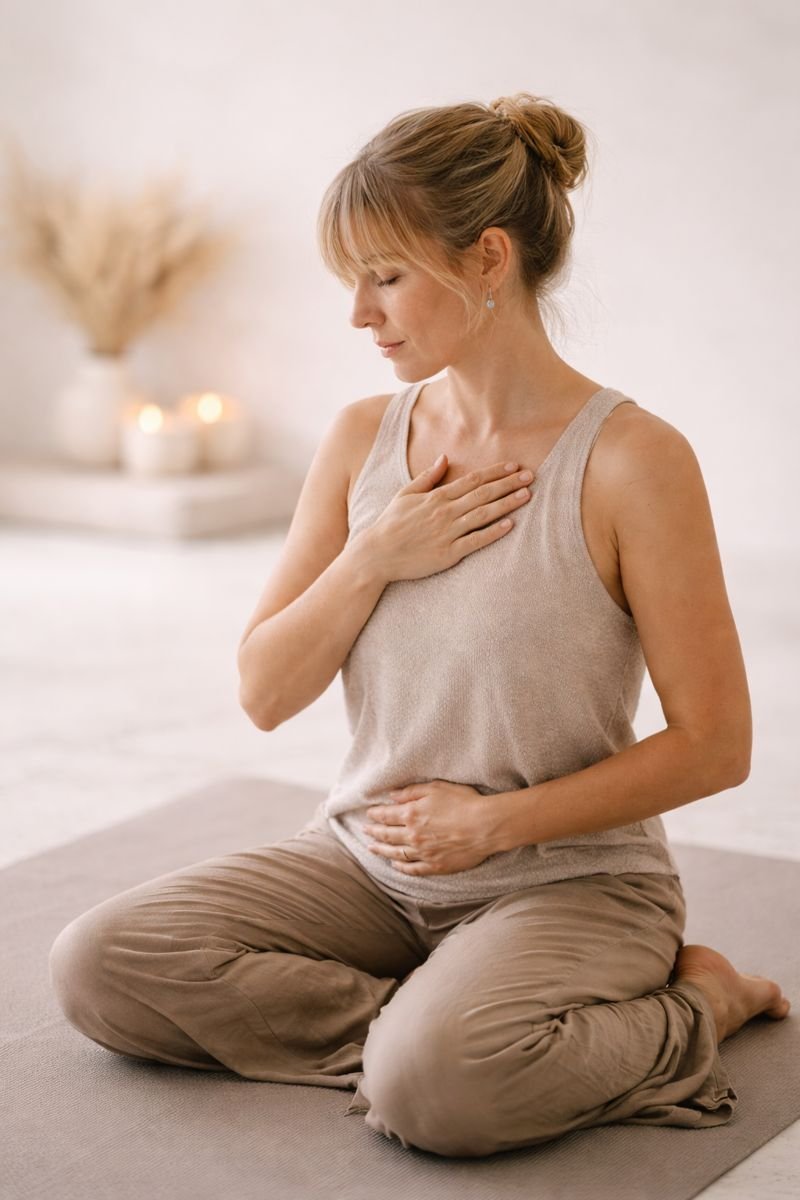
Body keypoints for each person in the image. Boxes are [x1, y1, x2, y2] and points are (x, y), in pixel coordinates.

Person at [49, 92, 790, 1158]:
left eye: (384, 276)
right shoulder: (360, 441)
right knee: (97, 964)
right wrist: (373, 556)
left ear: (487, 259)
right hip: (370, 866)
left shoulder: (633, 461)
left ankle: (693, 1007)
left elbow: (716, 745)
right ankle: (441, 1033)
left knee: (441, 1095)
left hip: (571, 881)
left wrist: (491, 827)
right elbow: (263, 693)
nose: (358, 313)